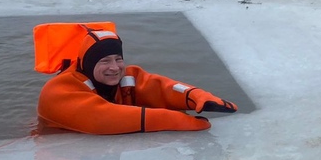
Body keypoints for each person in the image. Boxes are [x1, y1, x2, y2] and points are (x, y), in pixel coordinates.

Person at [38, 27, 238, 134]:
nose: (115, 67)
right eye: (105, 61)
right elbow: (102, 118)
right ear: (88, 64)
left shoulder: (127, 77)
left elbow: (158, 87)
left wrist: (194, 95)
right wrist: (175, 119)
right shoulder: (57, 92)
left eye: (119, 59)